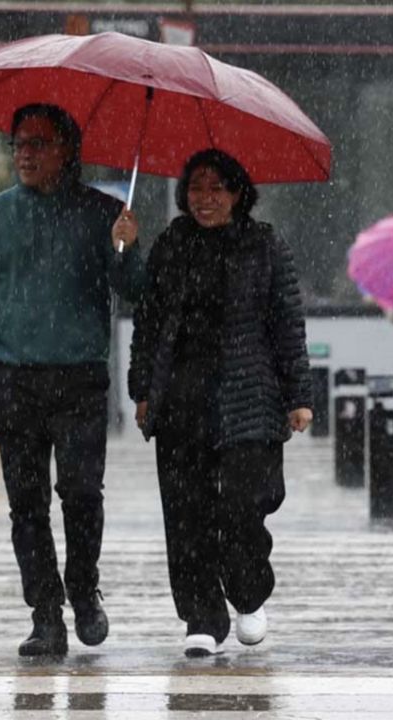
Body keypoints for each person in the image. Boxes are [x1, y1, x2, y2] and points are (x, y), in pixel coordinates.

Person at [0, 103, 148, 657]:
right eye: (19, 144)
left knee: (82, 495)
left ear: (67, 151)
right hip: (13, 381)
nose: (25, 154)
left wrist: (128, 248)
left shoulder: (104, 214)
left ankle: (84, 590)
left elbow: (135, 292)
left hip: (80, 380)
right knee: (26, 505)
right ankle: (44, 615)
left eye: (38, 143)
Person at [124, 148, 312, 658]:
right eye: (196, 188)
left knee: (244, 507)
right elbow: (148, 321)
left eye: (216, 188)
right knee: (185, 512)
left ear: (237, 194)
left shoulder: (265, 246)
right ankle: (200, 616)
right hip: (183, 396)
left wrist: (299, 395)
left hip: (249, 395)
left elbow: (287, 325)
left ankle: (248, 593)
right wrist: (141, 388)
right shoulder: (171, 245)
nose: (204, 199)